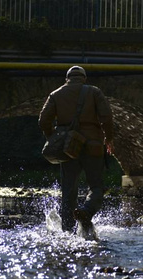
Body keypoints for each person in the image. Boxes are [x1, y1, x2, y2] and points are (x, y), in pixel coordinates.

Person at [39, 65, 115, 234]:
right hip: (93, 145)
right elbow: (107, 118)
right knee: (96, 186)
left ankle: (68, 232)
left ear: (67, 79)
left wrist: (54, 138)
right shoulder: (94, 92)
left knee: (68, 191)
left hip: (68, 148)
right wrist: (108, 138)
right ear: (84, 78)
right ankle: (86, 211)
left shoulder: (56, 94)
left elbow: (44, 120)